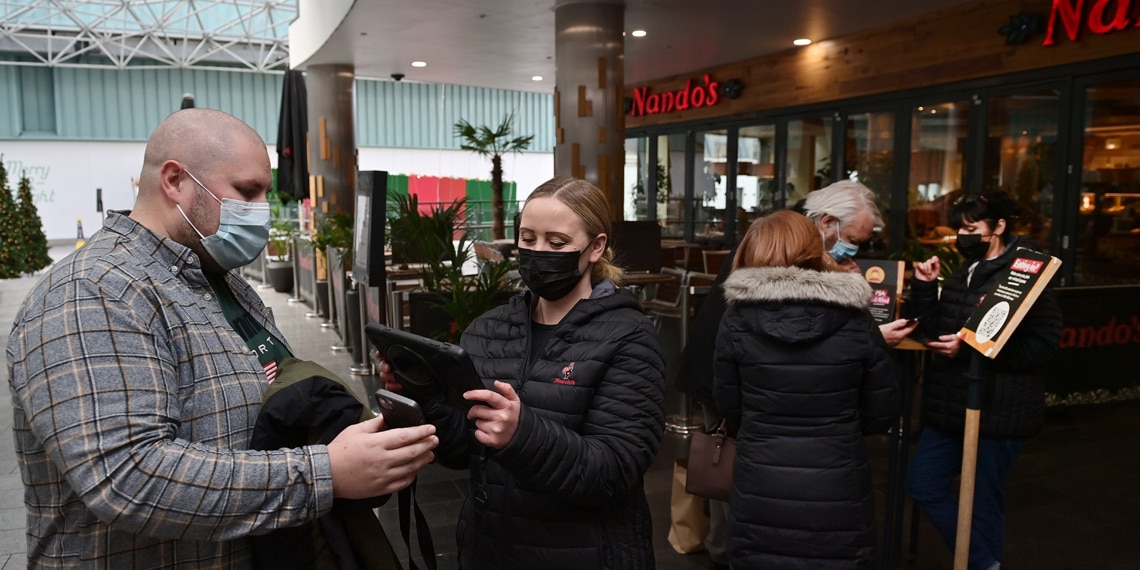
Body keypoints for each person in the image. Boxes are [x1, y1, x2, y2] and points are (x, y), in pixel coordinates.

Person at [6, 108, 438, 569]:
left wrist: (357, 440)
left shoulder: (224, 283)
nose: (260, 210)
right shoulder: (93, 292)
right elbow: (127, 476)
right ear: (175, 181)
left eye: (265, 194)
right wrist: (325, 472)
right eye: (247, 191)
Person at [380, 176, 666, 569]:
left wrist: (522, 434)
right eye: (528, 238)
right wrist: (427, 396)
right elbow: (465, 449)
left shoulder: (628, 338)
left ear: (596, 247)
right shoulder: (487, 330)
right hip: (491, 548)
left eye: (557, 243)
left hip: (587, 553)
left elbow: (614, 470)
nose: (538, 252)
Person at [713, 210, 900, 569]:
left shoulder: (736, 319)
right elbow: (883, 411)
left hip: (761, 483)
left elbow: (728, 404)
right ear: (814, 249)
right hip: (838, 485)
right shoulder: (855, 319)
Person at [905, 191, 1062, 570]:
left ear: (999, 227)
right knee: (923, 483)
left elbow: (1043, 345)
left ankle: (982, 564)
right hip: (950, 407)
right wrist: (926, 287)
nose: (962, 234)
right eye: (961, 227)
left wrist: (974, 350)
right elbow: (935, 327)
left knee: (983, 501)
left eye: (971, 228)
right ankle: (982, 560)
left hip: (997, 410)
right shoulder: (964, 273)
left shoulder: (1025, 277)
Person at [796, 180, 920, 346]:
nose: (854, 250)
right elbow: (806, 339)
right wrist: (875, 338)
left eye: (860, 243)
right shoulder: (791, 257)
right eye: (852, 240)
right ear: (828, 222)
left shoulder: (829, 257)